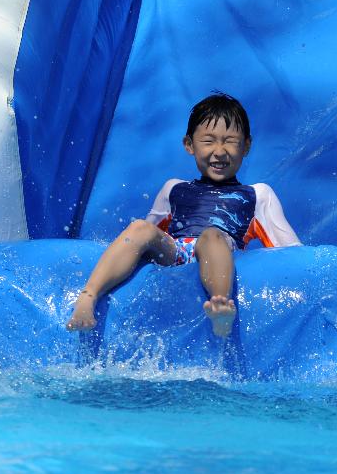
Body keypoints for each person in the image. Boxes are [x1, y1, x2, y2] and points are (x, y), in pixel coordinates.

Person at [66, 92, 301, 338]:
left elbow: (291, 250)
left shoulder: (258, 195)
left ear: (246, 146)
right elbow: (146, 237)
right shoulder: (173, 189)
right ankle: (89, 295)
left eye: (230, 141)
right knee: (139, 228)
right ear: (189, 145)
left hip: (220, 250)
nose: (219, 152)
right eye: (208, 141)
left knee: (211, 236)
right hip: (176, 251)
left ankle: (220, 307)